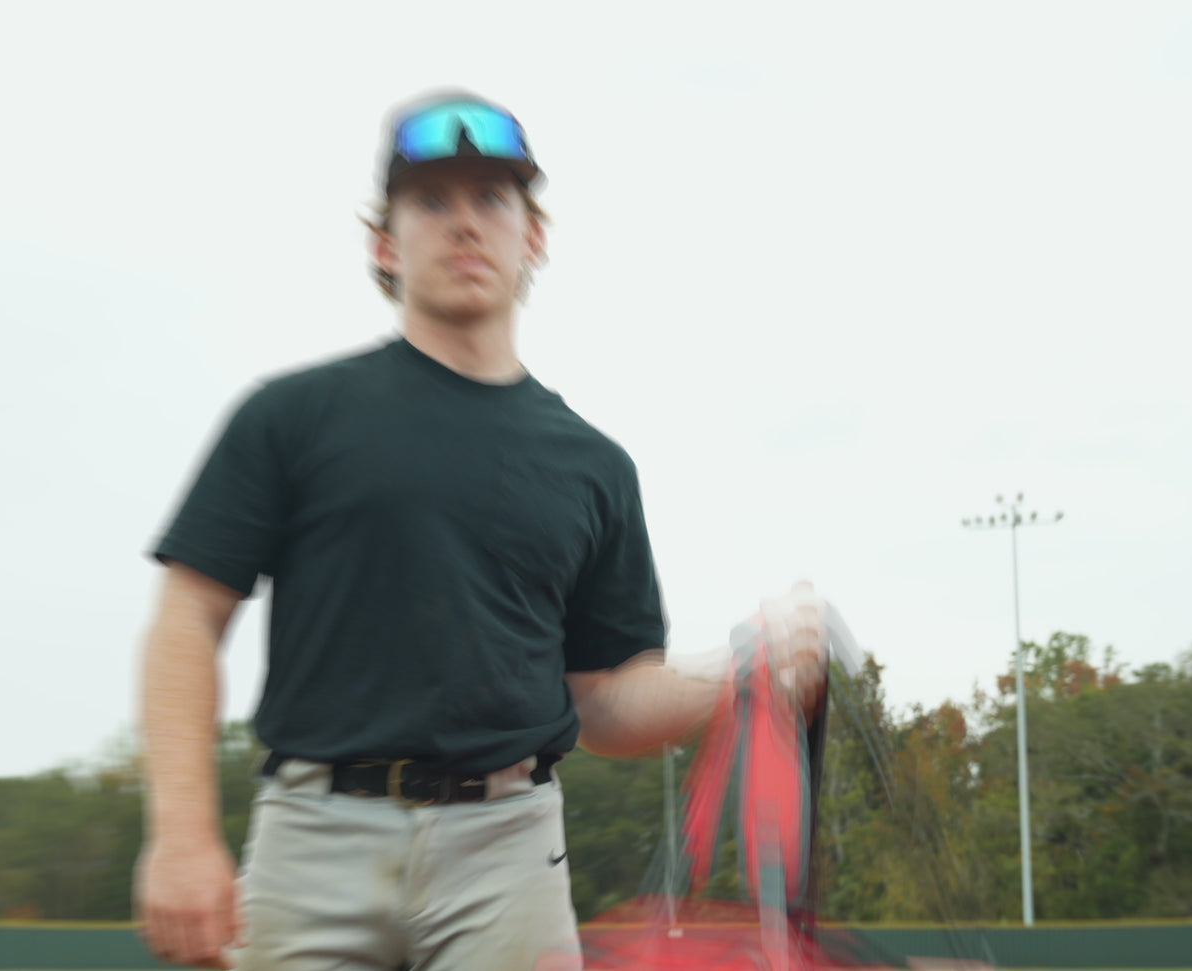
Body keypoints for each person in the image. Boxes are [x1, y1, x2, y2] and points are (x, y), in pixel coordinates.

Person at [132, 90, 828, 971]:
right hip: (313, 838)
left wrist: (742, 671)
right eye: (431, 201)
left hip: (507, 847)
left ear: (533, 237)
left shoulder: (592, 464)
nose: (465, 222)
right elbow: (187, 618)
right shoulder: (291, 416)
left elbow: (606, 702)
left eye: (493, 199)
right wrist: (181, 835)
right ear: (385, 245)